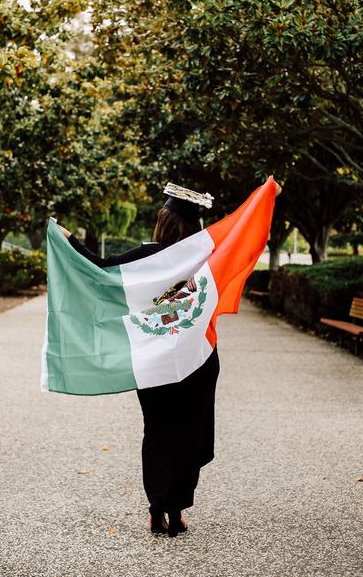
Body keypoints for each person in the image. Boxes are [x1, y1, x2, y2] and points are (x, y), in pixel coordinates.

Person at [58, 181, 281, 537]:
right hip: (198, 360)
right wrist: (267, 196)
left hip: (154, 364)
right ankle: (176, 511)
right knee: (189, 432)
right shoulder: (206, 256)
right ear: (194, 226)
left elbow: (99, 269)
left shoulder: (141, 259)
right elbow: (243, 235)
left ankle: (157, 509)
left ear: (162, 222)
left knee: (158, 432)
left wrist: (65, 237)